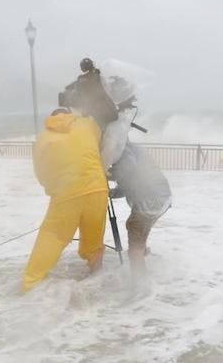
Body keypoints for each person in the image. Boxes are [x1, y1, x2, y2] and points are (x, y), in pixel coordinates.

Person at [22, 107, 109, 293]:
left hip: (66, 194)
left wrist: (52, 188)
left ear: (51, 118)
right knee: (93, 239)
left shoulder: (43, 138)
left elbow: (41, 172)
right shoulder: (87, 124)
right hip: (98, 189)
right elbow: (101, 142)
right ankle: (96, 279)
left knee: (52, 236)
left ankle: (30, 285)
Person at [101, 107, 172, 287]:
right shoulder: (133, 148)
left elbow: (128, 169)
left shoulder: (124, 151)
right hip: (163, 198)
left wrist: (105, 174)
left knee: (134, 241)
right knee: (137, 228)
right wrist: (112, 192)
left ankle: (140, 286)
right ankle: (146, 256)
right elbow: (131, 180)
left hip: (149, 201)